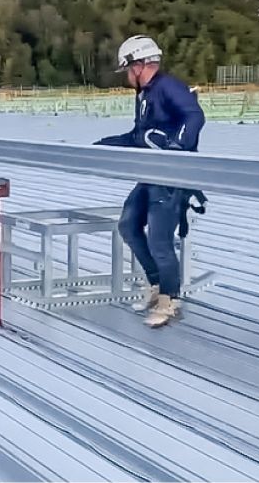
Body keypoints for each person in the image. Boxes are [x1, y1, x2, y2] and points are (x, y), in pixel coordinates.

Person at [94, 35, 205, 327]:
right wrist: (103, 144)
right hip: (151, 172)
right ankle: (156, 287)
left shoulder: (168, 87)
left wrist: (178, 149)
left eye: (128, 70)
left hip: (170, 175)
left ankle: (170, 299)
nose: (127, 78)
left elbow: (194, 116)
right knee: (128, 225)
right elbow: (136, 135)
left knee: (159, 240)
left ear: (140, 65)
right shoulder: (144, 95)